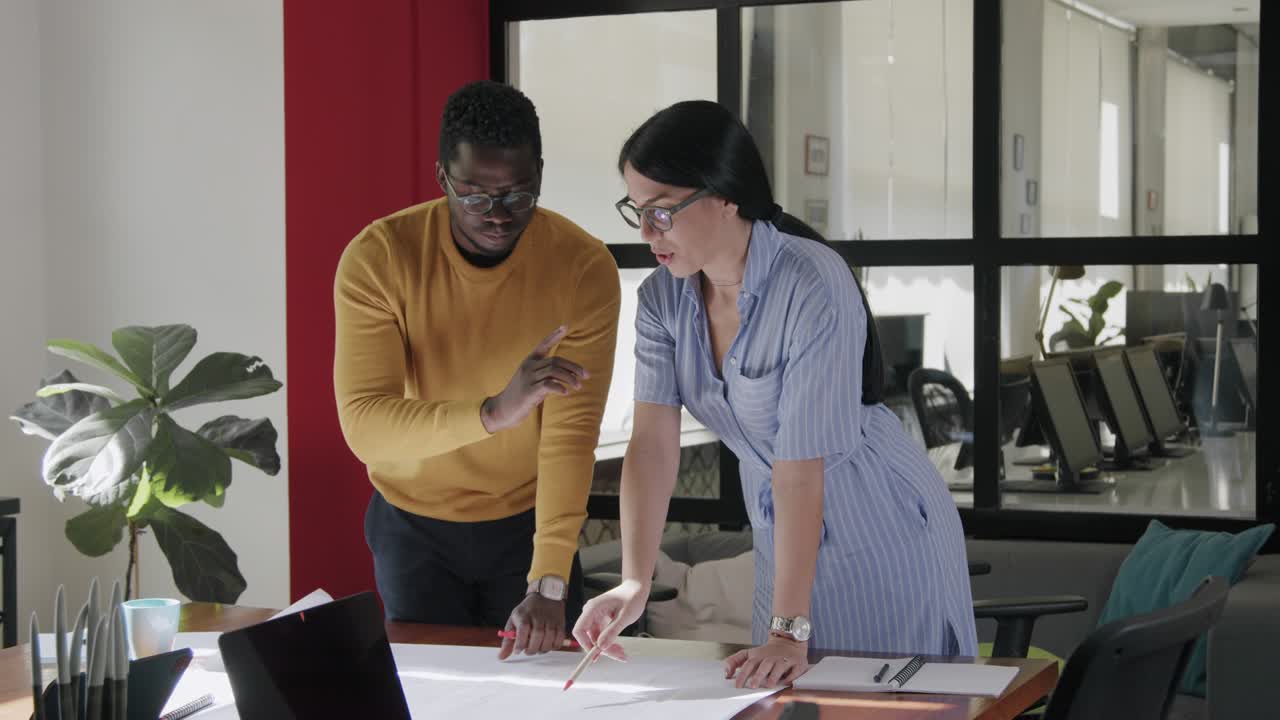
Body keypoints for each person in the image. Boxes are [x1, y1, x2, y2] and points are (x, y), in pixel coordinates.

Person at [571, 100, 977, 689]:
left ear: (725, 196)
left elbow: (800, 464)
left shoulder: (811, 280)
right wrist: (635, 580)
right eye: (636, 211)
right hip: (782, 531)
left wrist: (789, 630)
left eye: (661, 212)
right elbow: (653, 445)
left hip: (876, 520)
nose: (645, 232)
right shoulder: (663, 300)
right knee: (784, 696)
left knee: (885, 700)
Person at [333, 80, 621, 660]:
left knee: (540, 695)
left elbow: (570, 439)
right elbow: (365, 426)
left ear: (540, 173)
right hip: (412, 525)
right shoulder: (381, 257)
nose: (497, 215)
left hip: (527, 523)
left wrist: (549, 580)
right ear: (442, 176)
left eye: (518, 195)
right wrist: (493, 413)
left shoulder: (582, 267)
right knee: (434, 692)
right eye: (474, 195)